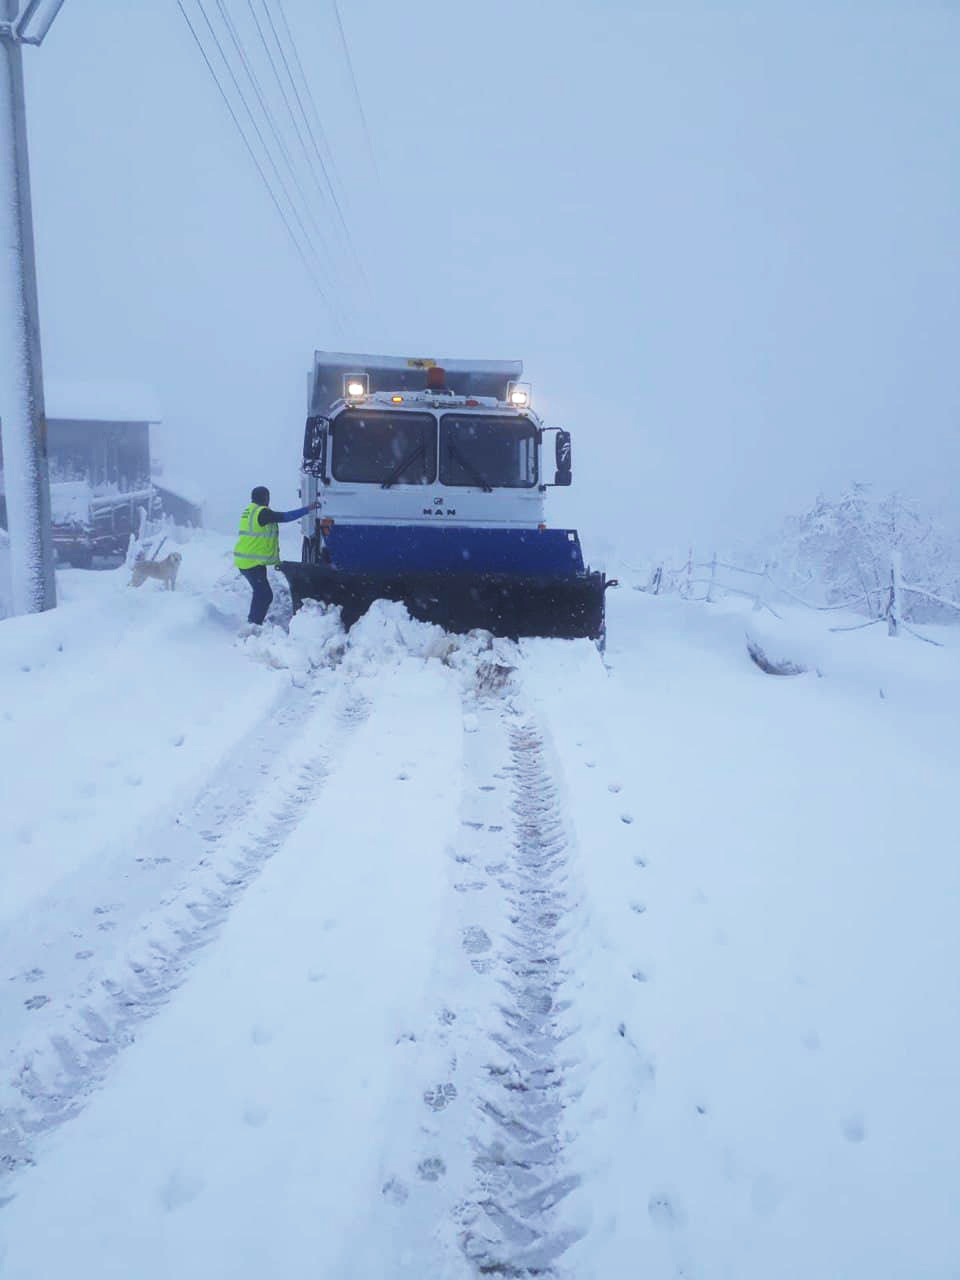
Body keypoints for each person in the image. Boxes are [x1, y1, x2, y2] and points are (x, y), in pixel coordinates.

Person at [234, 486, 316, 626]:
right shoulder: (262, 513)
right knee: (264, 594)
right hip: (251, 562)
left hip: (247, 560)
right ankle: (253, 624)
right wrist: (308, 509)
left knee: (261, 593)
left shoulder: (250, 511)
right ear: (265, 497)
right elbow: (285, 517)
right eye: (268, 497)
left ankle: (253, 622)